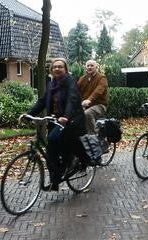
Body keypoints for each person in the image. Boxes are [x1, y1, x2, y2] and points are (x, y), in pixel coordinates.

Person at [25, 58, 85, 191]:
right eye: (55, 67)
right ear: (51, 70)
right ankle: (55, 180)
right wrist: (29, 114)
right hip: (55, 120)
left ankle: (66, 165)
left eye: (60, 67)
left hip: (71, 119)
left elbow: (72, 99)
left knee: (53, 141)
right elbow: (42, 101)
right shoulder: (51, 84)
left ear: (65, 69)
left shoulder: (70, 82)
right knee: (50, 151)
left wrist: (66, 116)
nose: (57, 69)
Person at [77, 60, 108, 134]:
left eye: (92, 65)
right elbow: (75, 89)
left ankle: (93, 137)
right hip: (85, 106)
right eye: (88, 66)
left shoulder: (102, 78)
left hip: (99, 105)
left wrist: (89, 100)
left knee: (87, 114)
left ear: (96, 67)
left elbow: (99, 91)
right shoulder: (83, 78)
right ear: (86, 68)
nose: (89, 67)